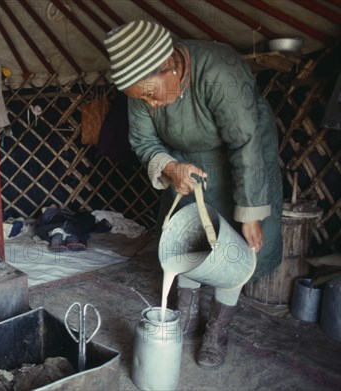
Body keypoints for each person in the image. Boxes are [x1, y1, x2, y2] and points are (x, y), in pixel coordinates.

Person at [104, 21, 283, 368]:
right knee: (187, 233)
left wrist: (251, 213)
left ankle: (217, 329)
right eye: (141, 98)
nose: (150, 105)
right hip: (186, 159)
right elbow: (143, 140)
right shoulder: (138, 86)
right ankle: (184, 316)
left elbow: (244, 143)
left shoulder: (219, 71)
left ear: (171, 66)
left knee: (233, 243)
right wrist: (172, 169)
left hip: (244, 157)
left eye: (151, 93)